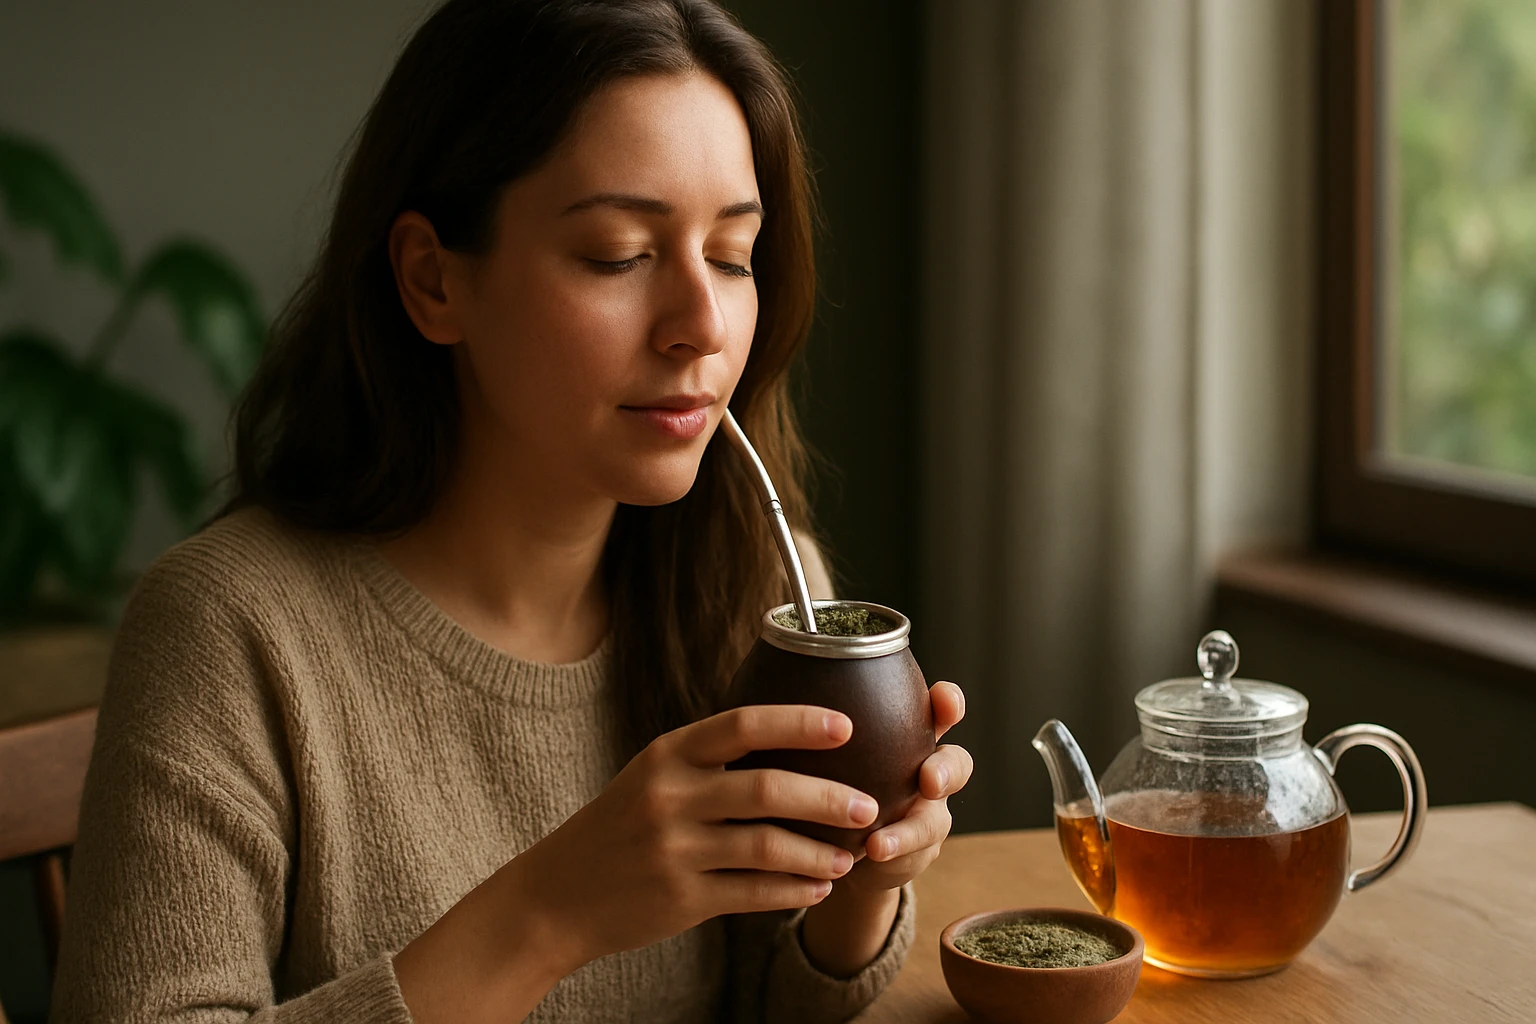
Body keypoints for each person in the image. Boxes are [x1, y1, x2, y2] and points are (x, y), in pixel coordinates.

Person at [49, 1, 973, 1021]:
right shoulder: (230, 630)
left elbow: (776, 999)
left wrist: (868, 872)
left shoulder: (751, 576)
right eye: (620, 254)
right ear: (433, 279)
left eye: (732, 255)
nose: (702, 326)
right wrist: (551, 910)